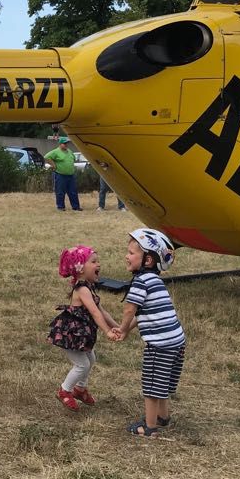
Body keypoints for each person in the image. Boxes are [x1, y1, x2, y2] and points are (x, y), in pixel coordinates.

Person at [115, 228, 186, 437]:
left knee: (152, 385)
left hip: (160, 345)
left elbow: (131, 310)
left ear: (147, 260)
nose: (126, 256)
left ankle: (149, 427)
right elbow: (146, 314)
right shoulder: (156, 281)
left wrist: (121, 327)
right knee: (162, 381)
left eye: (131, 253)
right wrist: (127, 330)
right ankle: (163, 417)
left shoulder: (140, 281)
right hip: (177, 341)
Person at [47, 245, 121, 410]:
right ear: (80, 269)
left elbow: (102, 311)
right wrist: (107, 331)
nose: (98, 264)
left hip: (82, 335)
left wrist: (118, 327)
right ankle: (64, 391)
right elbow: (95, 313)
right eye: (93, 261)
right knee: (82, 365)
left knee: (91, 359)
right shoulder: (82, 289)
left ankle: (80, 389)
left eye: (98, 261)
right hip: (72, 335)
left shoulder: (90, 287)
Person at [44, 136, 82, 211]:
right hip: (60, 175)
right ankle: (60, 207)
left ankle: (76, 207)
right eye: (64, 143)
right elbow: (46, 157)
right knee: (60, 192)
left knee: (73, 192)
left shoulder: (69, 151)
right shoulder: (56, 151)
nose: (66, 145)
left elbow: (73, 158)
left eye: (67, 143)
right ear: (60, 144)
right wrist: (53, 165)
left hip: (70, 175)